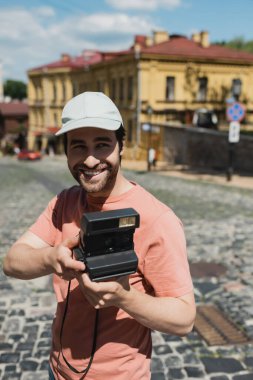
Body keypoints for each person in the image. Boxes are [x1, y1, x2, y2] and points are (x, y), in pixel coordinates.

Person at [3, 92, 195, 380]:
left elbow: (184, 319)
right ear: (66, 150)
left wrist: (122, 297)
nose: (90, 160)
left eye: (102, 144)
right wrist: (50, 258)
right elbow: (11, 262)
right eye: (78, 146)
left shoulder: (158, 219)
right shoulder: (64, 203)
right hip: (57, 370)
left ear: (121, 146)